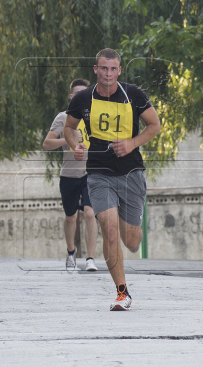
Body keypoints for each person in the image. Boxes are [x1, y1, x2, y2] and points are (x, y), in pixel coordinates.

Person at [64, 49, 161, 311]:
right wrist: (75, 145)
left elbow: (155, 125)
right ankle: (122, 293)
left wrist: (132, 143)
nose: (108, 74)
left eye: (113, 69)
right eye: (103, 69)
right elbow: (69, 127)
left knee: (131, 241)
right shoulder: (84, 99)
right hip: (98, 173)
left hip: (131, 173)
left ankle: (131, 225)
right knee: (109, 229)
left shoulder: (133, 95)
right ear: (95, 70)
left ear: (119, 70)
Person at [43, 78, 99, 272]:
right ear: (71, 97)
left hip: (91, 174)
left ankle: (90, 258)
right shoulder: (63, 117)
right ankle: (71, 252)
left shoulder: (97, 117)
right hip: (69, 174)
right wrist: (68, 139)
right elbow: (47, 143)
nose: (81, 97)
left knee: (91, 213)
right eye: (77, 94)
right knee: (70, 217)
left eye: (84, 93)